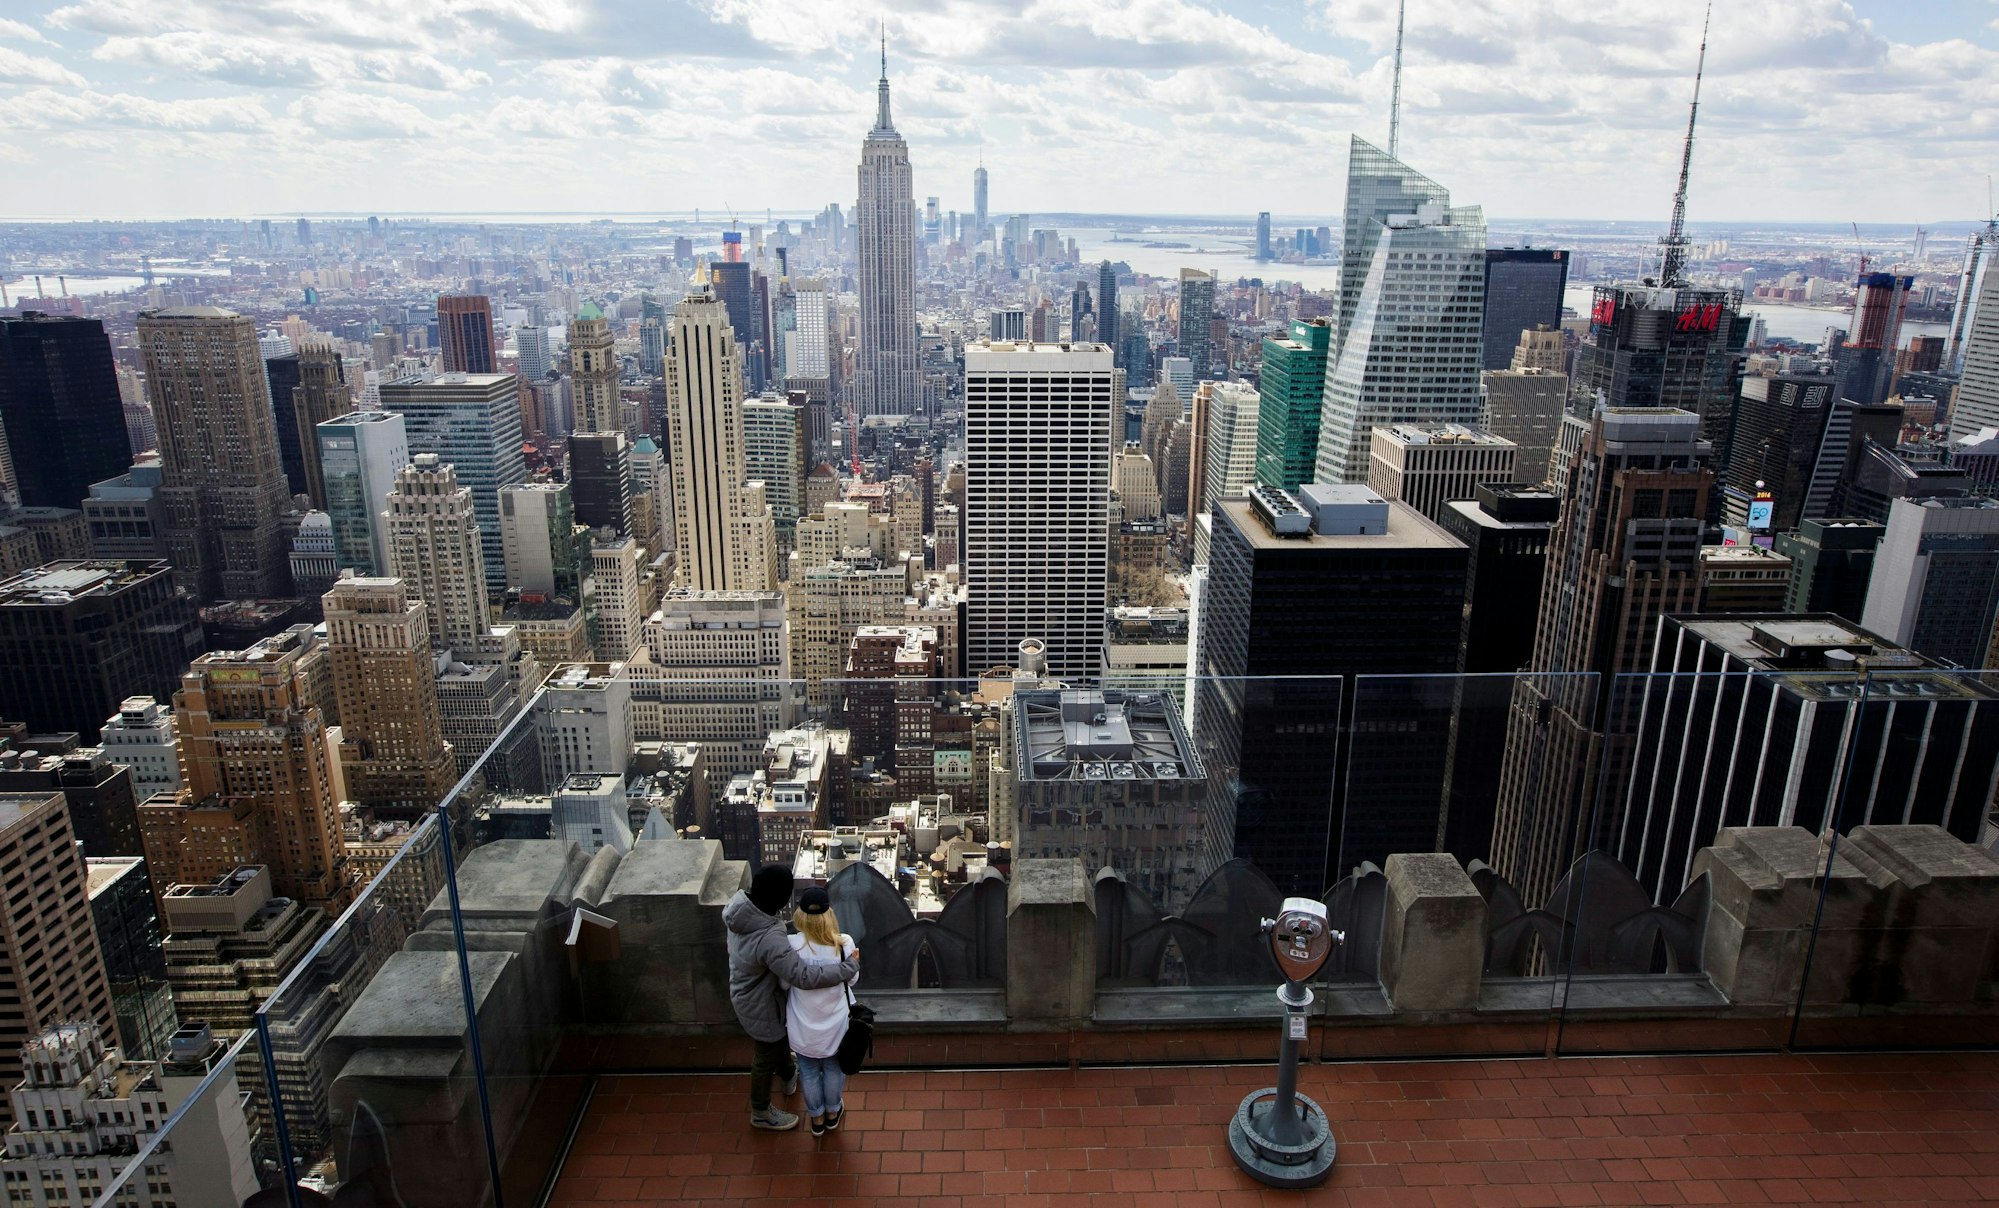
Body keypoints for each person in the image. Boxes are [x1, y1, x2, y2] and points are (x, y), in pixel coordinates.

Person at [723, 866, 858, 1131]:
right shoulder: (773, 937)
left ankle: (789, 1077)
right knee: (765, 1056)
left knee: (779, 1045)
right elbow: (802, 976)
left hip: (751, 994)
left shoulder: (740, 910)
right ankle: (761, 1111)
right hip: (762, 1005)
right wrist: (847, 968)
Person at [781, 887, 858, 1136]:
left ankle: (816, 1118)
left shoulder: (791, 945)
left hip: (802, 1021)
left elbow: (783, 983)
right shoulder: (844, 943)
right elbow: (853, 980)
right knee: (833, 1068)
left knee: (809, 1070)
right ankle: (833, 1112)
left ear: (801, 915)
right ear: (829, 914)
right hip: (836, 1020)